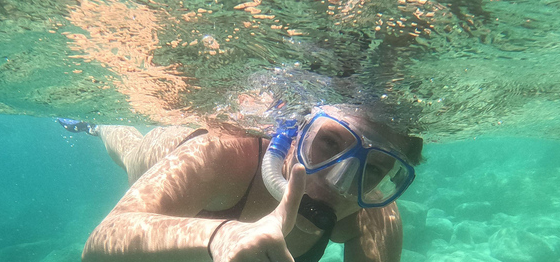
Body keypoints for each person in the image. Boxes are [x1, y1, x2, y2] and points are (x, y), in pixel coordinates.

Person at [58, 104, 423, 262]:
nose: (338, 181)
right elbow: (101, 242)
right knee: (129, 148)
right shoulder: (224, 154)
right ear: (293, 133)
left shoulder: (372, 215)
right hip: (170, 150)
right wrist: (223, 236)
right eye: (329, 142)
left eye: (374, 168)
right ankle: (97, 125)